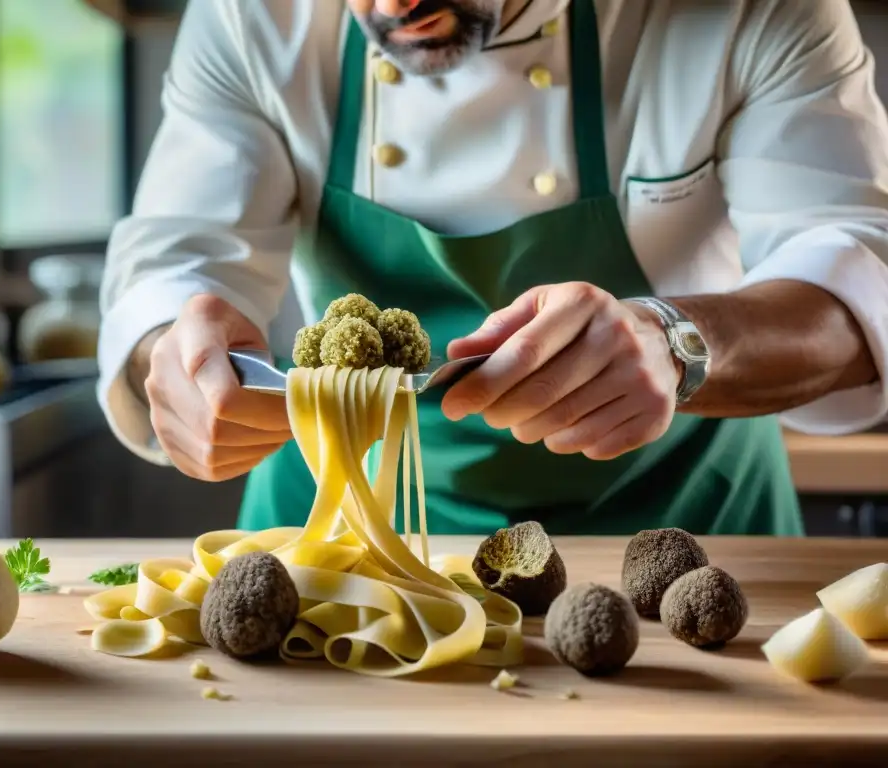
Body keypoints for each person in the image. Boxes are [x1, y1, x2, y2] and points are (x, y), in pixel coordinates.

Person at [97, 0, 888, 537]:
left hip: (681, 523)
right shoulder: (249, 17)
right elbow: (174, 264)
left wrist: (678, 340)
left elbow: (856, 273)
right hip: (334, 525)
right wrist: (173, 354)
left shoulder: (750, 10)